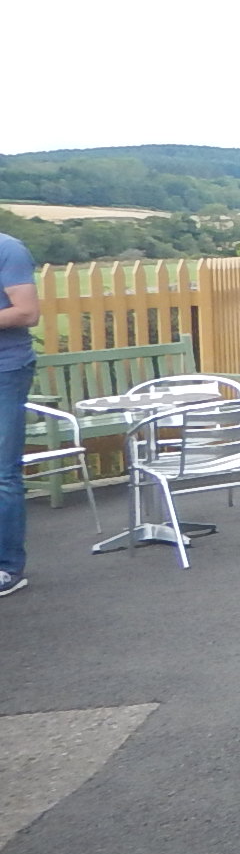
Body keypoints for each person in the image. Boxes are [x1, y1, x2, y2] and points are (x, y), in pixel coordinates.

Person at [0, 226, 39, 596]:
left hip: (5, 370)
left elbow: (27, 312)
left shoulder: (8, 249)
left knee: (2, 472)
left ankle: (7, 567)